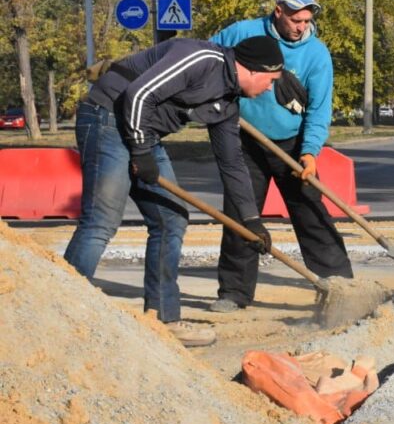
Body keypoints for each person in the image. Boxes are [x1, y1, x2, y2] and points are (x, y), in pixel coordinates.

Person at [63, 36, 284, 347]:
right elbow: (138, 95)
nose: (270, 88)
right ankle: (62, 311)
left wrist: (251, 221)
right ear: (253, 69)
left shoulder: (227, 103)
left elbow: (233, 165)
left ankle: (162, 318)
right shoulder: (201, 58)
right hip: (108, 117)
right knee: (101, 220)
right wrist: (140, 153)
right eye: (271, 80)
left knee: (172, 220)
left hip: (143, 131)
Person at [208, 0, 352, 313]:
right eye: (296, 19)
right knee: (242, 215)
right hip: (245, 141)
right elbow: (206, 58)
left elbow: (319, 109)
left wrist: (310, 153)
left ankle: (342, 286)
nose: (302, 27)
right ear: (279, 12)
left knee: (312, 214)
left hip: (292, 144)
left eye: (307, 20)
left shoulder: (316, 54)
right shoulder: (242, 32)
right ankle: (233, 293)